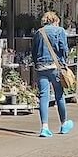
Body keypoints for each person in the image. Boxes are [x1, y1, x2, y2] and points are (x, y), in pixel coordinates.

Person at [31, 10, 73, 138]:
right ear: (55, 20)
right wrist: (64, 62)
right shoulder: (60, 31)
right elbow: (64, 49)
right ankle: (64, 124)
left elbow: (34, 51)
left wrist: (37, 64)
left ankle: (44, 127)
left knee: (44, 96)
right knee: (59, 95)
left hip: (41, 67)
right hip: (55, 66)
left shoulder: (39, 32)